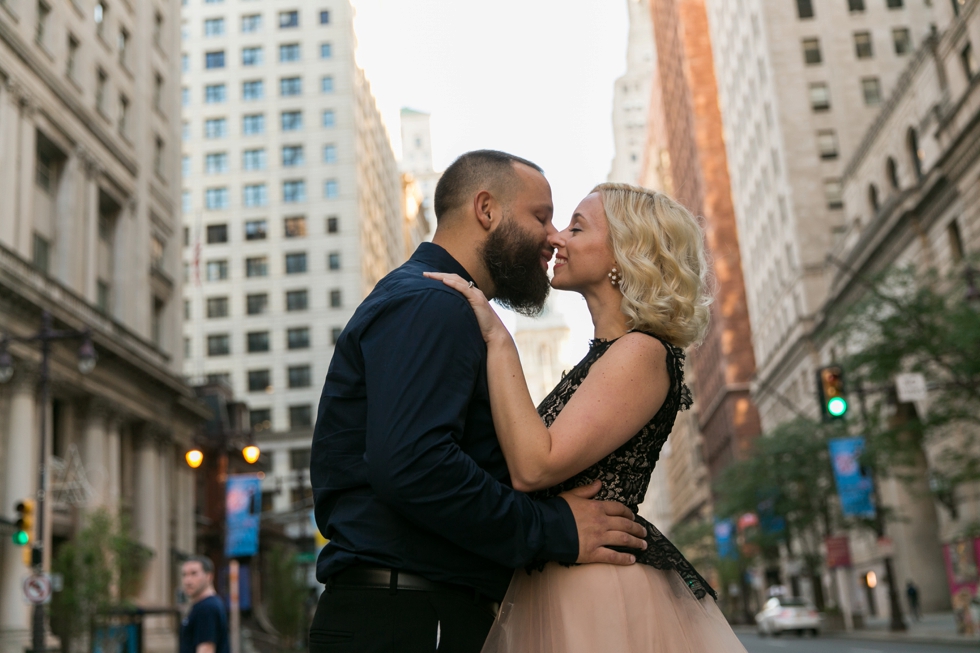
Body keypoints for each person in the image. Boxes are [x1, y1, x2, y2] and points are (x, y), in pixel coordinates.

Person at [308, 151, 648, 653]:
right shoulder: (432, 304)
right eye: (540, 216)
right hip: (411, 620)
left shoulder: (446, 306)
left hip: (415, 612)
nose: (553, 236)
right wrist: (554, 528)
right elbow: (415, 466)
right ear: (486, 210)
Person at [428, 183, 748, 652]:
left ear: (627, 252)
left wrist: (497, 338)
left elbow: (535, 465)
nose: (556, 237)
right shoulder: (606, 356)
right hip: (567, 583)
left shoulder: (640, 351)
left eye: (577, 227)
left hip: (599, 591)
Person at [179, 556, 229, 653]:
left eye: (194, 574)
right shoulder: (204, 605)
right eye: (184, 575)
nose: (188, 581)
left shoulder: (207, 607)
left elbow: (206, 649)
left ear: (209, 576)